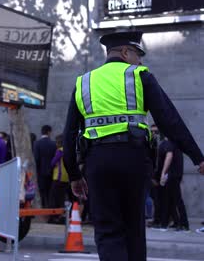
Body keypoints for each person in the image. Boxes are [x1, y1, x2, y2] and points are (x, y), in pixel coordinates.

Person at [63, 31, 204, 261]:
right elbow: (169, 119)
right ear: (126, 52)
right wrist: (197, 157)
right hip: (134, 159)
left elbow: (69, 133)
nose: (141, 60)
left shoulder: (83, 82)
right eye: (138, 54)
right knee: (134, 229)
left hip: (97, 162)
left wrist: (74, 175)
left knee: (108, 231)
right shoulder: (140, 75)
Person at [156, 137, 189, 232]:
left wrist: (163, 173)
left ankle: (183, 224)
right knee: (171, 200)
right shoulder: (176, 143)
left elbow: (169, 156)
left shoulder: (170, 143)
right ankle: (175, 222)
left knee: (176, 200)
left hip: (172, 175)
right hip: (175, 175)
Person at [33, 125, 57, 209]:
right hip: (52, 171)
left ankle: (43, 207)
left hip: (40, 171)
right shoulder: (54, 144)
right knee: (50, 191)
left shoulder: (37, 143)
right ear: (49, 132)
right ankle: (50, 207)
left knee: (42, 191)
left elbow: (36, 158)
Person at [47, 134, 69, 224]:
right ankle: (61, 216)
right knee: (61, 198)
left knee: (53, 198)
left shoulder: (59, 151)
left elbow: (53, 162)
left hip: (58, 177)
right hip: (65, 178)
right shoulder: (68, 151)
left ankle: (53, 217)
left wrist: (52, 166)